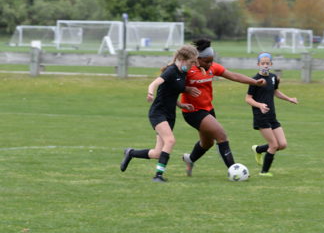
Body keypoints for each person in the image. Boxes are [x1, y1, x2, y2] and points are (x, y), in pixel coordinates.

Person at [180, 38, 265, 176]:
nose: (210, 64)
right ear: (197, 59)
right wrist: (186, 89)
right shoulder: (187, 69)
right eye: (206, 61)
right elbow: (172, 85)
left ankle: (190, 159)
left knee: (207, 143)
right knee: (221, 136)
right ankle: (234, 171)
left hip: (208, 109)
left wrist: (254, 82)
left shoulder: (212, 67)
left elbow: (234, 76)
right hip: (192, 111)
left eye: (211, 61)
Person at [120, 44, 199, 182]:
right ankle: (158, 176)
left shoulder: (182, 72)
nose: (194, 65)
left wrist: (181, 105)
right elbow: (154, 83)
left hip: (170, 115)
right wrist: (150, 93)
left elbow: (170, 93)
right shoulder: (171, 71)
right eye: (192, 62)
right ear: (182, 59)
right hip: (158, 113)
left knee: (157, 153)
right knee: (170, 140)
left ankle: (130, 153)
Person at [245, 51, 298, 177]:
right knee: (274, 145)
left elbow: (275, 92)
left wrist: (289, 99)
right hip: (261, 116)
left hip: (272, 116)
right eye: (262, 63)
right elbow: (248, 98)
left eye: (267, 63)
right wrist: (260, 105)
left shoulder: (274, 77)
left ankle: (258, 149)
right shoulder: (255, 80)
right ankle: (264, 172)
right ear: (258, 64)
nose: (265, 65)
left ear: (271, 64)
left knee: (282, 145)